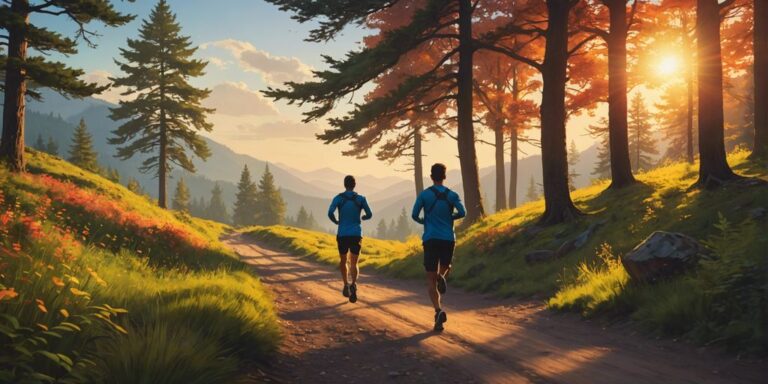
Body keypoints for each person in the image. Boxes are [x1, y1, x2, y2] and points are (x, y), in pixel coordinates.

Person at [411, 163, 466, 331]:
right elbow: (462, 212)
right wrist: (451, 217)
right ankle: (442, 276)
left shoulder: (424, 195)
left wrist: (425, 221)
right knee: (445, 266)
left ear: (431, 176)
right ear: (444, 176)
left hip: (430, 238)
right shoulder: (452, 195)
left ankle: (438, 311)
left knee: (430, 279)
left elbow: (414, 215)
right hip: (448, 238)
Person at [328, 175, 373, 303]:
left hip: (342, 233)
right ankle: (353, 284)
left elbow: (330, 213)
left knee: (343, 261)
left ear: (344, 185)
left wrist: (336, 221)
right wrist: (363, 218)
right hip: (356, 234)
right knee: (354, 262)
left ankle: (345, 284)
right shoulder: (360, 199)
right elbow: (369, 214)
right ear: (354, 185)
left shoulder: (338, 198)